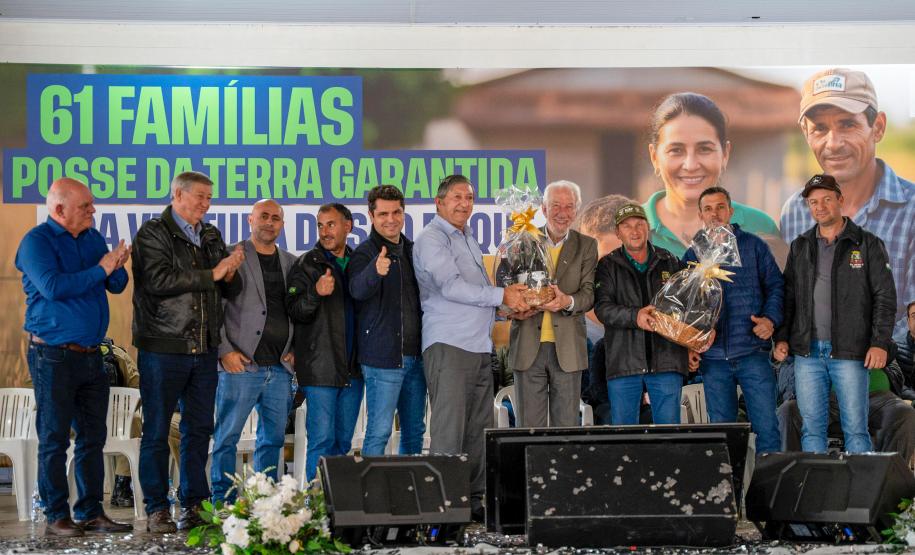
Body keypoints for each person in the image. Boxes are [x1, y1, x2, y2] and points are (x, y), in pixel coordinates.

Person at [16, 178, 132, 536]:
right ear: (59, 209)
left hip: (92, 356)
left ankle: (91, 512)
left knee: (93, 438)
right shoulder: (36, 242)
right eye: (85, 206)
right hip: (53, 356)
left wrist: (117, 266)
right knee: (54, 438)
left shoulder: (93, 238)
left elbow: (115, 286)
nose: (93, 210)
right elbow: (53, 287)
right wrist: (102, 269)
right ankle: (56, 516)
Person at [132, 171, 244, 532]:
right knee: (156, 430)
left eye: (210, 197)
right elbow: (158, 280)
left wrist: (230, 273)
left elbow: (230, 289)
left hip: (204, 348)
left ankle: (195, 503)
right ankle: (157, 507)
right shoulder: (153, 233)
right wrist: (214, 273)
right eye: (200, 196)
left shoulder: (210, 234)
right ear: (178, 195)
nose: (206, 204)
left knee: (199, 429)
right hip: (163, 347)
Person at [413, 174, 527, 522]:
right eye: (457, 197)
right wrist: (502, 295)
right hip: (449, 345)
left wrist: (509, 308)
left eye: (470, 197)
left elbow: (479, 297)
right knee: (449, 432)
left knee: (477, 431)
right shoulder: (432, 239)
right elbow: (451, 287)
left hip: (479, 347)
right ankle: (443, 508)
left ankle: (473, 501)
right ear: (439, 202)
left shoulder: (468, 239)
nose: (465, 203)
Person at [781, 68, 915, 333]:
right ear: (805, 133)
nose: (833, 143)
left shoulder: (911, 210)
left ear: (878, 127)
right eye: (820, 128)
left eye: (847, 124)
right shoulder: (795, 211)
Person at [773, 174, 896, 453]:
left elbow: (885, 297)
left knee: (856, 429)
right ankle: (818, 482)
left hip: (850, 352)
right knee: (811, 430)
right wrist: (781, 338)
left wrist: (879, 343)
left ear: (840, 200)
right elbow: (788, 297)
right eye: (813, 202)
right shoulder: (800, 245)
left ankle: (860, 483)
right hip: (808, 354)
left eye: (827, 199)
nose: (820, 207)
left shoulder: (867, 243)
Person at [683, 186, 784, 453]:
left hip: (752, 353)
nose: (714, 214)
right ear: (700, 215)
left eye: (720, 207)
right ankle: (729, 481)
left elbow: (776, 286)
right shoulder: (693, 254)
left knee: (766, 429)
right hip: (713, 359)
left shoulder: (753, 246)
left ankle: (768, 480)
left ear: (730, 211)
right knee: (722, 435)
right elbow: (685, 307)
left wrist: (770, 320)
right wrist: (691, 344)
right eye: (707, 209)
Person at [210, 199, 296, 503]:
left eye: (275, 218)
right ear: (250, 220)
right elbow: (214, 308)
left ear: (282, 224)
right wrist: (224, 351)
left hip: (280, 369)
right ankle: (223, 502)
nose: (269, 222)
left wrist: (295, 348)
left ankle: (266, 503)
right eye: (263, 216)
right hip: (240, 367)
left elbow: (299, 311)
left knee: (273, 441)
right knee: (227, 438)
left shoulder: (291, 262)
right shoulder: (231, 256)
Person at [643, 92, 779, 258]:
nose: (690, 165)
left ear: (725, 154)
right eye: (676, 150)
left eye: (704, 149)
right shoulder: (624, 229)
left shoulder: (759, 227)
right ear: (655, 157)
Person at [507, 180, 597, 427]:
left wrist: (567, 301)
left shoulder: (587, 245)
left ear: (576, 211)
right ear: (544, 209)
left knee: (566, 429)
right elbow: (505, 289)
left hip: (568, 349)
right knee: (529, 430)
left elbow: (589, 294)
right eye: (556, 205)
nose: (562, 212)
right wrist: (516, 306)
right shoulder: (522, 241)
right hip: (528, 347)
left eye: (569, 206)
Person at [286, 203, 363, 483]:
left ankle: (336, 504)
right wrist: (316, 292)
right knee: (321, 442)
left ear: (348, 226)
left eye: (331, 224)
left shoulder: (359, 262)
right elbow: (294, 310)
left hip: (354, 370)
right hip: (320, 369)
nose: (325, 231)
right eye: (321, 225)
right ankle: (315, 503)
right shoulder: (306, 264)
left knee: (342, 443)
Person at [594, 203, 691, 425]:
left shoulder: (670, 260)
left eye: (639, 224)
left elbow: (686, 307)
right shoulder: (607, 265)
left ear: (648, 227)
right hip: (624, 364)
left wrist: (691, 344)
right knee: (625, 435)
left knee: (668, 434)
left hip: (667, 362)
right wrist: (635, 316)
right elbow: (602, 308)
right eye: (627, 226)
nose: (634, 231)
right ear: (618, 233)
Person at [349, 186, 426, 456]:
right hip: (382, 360)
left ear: (404, 213)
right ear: (371, 216)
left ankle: (410, 483)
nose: (391, 219)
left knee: (415, 432)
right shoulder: (363, 253)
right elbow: (356, 290)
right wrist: (375, 271)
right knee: (379, 432)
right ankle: (372, 485)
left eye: (396, 212)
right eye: (383, 214)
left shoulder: (414, 251)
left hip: (417, 358)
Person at [892, 300, 915, 398]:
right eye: (914, 316)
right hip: (906, 401)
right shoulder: (895, 347)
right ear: (908, 321)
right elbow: (895, 382)